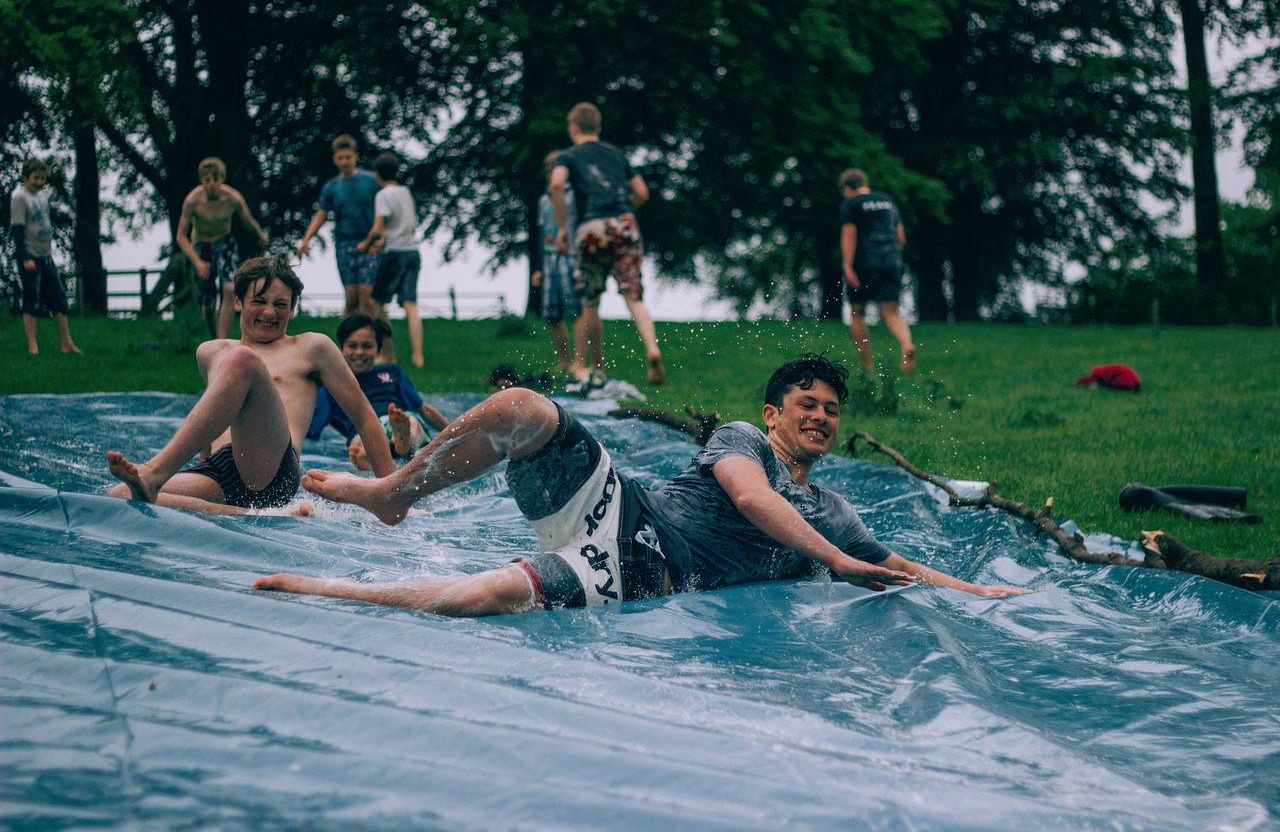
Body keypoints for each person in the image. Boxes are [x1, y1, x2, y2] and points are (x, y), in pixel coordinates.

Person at [254, 354, 1028, 615]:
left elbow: (896, 564)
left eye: (832, 411)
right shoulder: (742, 438)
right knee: (525, 406)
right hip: (627, 511)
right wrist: (842, 560)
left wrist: (978, 593)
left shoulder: (834, 508)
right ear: (773, 412)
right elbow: (752, 498)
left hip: (650, 570)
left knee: (479, 599)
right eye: (808, 406)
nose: (822, 419)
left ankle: (330, 590)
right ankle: (396, 490)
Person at [106, 256, 395, 514]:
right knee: (119, 496)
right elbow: (214, 416)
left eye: (280, 304)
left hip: (271, 470)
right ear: (238, 301)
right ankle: (250, 514)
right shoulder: (210, 352)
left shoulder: (312, 347)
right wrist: (201, 464)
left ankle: (155, 471)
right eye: (259, 301)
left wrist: (389, 493)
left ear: (293, 308)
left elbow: (364, 416)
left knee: (242, 359)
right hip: (219, 470)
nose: (269, 312)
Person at [550, 102, 665, 389]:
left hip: (591, 226)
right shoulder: (616, 154)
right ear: (598, 128)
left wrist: (563, 228)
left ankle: (598, 368)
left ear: (573, 127)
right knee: (633, 295)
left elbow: (555, 184)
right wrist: (628, 212)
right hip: (624, 222)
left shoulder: (568, 156)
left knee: (590, 301)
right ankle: (652, 349)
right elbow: (641, 192)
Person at [308, 314, 448, 471]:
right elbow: (309, 422)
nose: (360, 352)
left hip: (396, 420)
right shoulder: (332, 386)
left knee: (411, 423)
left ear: (379, 350)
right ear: (341, 349)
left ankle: (396, 446)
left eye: (367, 346)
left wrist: (450, 430)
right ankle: (383, 452)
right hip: (363, 432)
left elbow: (421, 408)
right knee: (361, 440)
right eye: (352, 346)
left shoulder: (393, 373)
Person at [175, 157, 270, 339]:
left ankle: (222, 339)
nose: (211, 184)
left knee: (228, 287)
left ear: (222, 179)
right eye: (207, 180)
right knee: (209, 303)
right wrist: (197, 262)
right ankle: (214, 340)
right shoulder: (193, 201)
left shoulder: (232, 198)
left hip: (225, 243)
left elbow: (247, 220)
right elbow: (181, 236)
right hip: (201, 248)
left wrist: (260, 235)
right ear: (202, 180)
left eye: (215, 179)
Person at [838, 168, 916, 373]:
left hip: (865, 259)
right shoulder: (887, 200)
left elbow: (849, 234)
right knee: (891, 313)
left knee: (857, 313)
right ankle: (907, 344)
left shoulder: (851, 204)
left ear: (847, 189)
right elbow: (901, 237)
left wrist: (847, 265)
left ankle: (867, 365)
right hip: (891, 258)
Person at [297, 135, 382, 319]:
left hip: (370, 242)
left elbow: (384, 209)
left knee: (367, 296)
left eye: (348, 157)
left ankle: (373, 338)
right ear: (335, 159)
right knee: (351, 298)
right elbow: (321, 214)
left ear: (355, 157)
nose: (344, 162)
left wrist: (383, 235)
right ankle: (347, 341)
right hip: (345, 243)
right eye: (340, 158)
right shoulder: (332, 187)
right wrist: (307, 239)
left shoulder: (371, 181)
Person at [10, 158, 82, 356]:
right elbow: (17, 231)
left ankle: (66, 343)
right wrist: (25, 258)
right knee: (32, 300)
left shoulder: (42, 197)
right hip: (30, 257)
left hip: (45, 256)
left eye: (42, 178)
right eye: (36, 178)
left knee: (59, 298)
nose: (40, 182)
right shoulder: (20, 198)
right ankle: (32, 345)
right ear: (26, 177)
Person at [357, 152, 422, 368]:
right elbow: (401, 224)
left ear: (377, 174)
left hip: (395, 254)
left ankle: (387, 353)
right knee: (410, 305)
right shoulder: (405, 192)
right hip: (412, 251)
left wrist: (366, 245)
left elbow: (378, 227)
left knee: (375, 302)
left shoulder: (383, 195)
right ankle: (418, 356)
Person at [533, 150, 583, 374]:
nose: (549, 171)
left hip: (570, 256)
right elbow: (541, 232)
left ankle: (580, 361)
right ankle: (564, 359)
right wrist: (538, 266)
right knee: (552, 314)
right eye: (547, 168)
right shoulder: (543, 199)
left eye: (553, 167)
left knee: (576, 310)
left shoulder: (576, 196)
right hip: (549, 259)